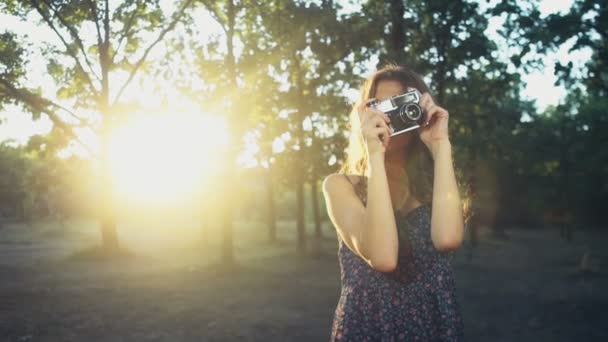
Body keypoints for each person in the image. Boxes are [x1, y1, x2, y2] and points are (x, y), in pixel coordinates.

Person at [322, 64, 465, 341]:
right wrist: (374, 153)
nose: (390, 115)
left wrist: (440, 144)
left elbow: (447, 239)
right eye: (380, 106)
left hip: (433, 326)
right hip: (371, 327)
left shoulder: (436, 186)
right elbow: (384, 257)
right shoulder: (341, 187)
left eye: (400, 104)